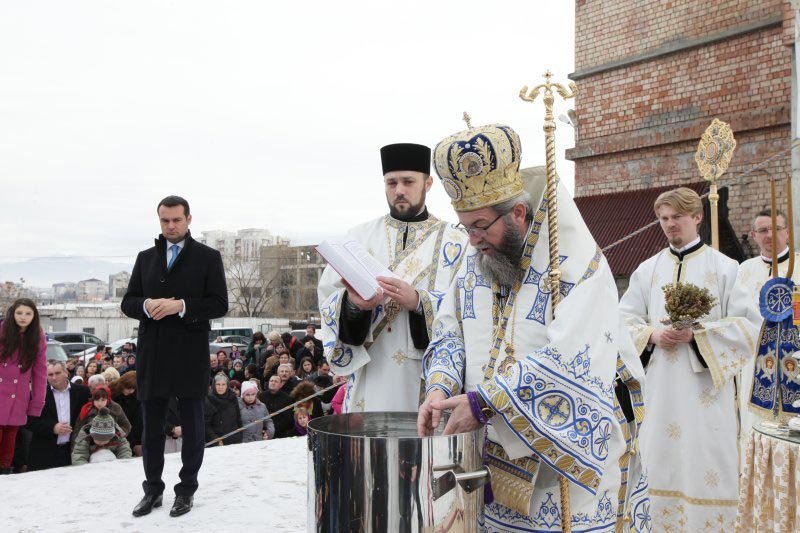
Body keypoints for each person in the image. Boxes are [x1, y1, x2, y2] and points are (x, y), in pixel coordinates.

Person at [417, 123, 635, 530]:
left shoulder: (574, 265)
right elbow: (450, 331)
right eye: (466, 228)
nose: (473, 240)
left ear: (518, 212)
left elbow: (577, 356)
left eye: (481, 226)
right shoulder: (473, 263)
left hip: (560, 472)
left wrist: (484, 403)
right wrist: (439, 387)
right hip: (489, 463)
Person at [619, 187, 754, 530]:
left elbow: (748, 326)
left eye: (677, 217)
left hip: (706, 397)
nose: (669, 225)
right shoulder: (647, 270)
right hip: (660, 391)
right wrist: (651, 335)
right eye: (663, 219)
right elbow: (621, 321)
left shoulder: (726, 269)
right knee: (657, 460)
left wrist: (698, 336)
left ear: (697, 217)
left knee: (707, 461)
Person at [318, 142, 469, 413]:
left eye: (408, 181)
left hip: (427, 378)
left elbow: (468, 308)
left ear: (428, 183)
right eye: (392, 182)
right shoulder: (358, 238)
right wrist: (353, 305)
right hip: (371, 375)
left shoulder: (457, 241)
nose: (399, 190)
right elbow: (328, 298)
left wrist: (419, 301)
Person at [121, 195, 228, 518]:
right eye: (164, 221)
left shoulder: (208, 257)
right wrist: (145, 305)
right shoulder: (145, 258)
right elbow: (128, 301)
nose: (170, 226)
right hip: (153, 354)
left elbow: (219, 304)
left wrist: (180, 306)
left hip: (189, 354)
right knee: (151, 428)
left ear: (189, 219)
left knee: (193, 427)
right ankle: (152, 490)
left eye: (176, 220)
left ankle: (186, 490)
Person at [729, 208, 800, 445]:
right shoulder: (742, 271)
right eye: (763, 230)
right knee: (753, 430)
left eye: (776, 229)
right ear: (754, 234)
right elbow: (734, 316)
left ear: (787, 233)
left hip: (795, 361)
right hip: (753, 364)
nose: (770, 235)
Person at [0, 299, 47, 474]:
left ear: (34, 316)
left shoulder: (37, 337)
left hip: (18, 399)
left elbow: (40, 373)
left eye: (28, 313)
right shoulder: (2, 332)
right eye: (19, 313)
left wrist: (37, 404)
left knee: (9, 445)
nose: (23, 317)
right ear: (13, 313)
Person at [25, 361, 91, 470]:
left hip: (73, 451)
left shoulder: (82, 392)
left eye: (58, 373)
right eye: (50, 374)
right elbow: (28, 421)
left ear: (66, 373)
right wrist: (52, 428)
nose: (54, 377)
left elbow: (89, 418)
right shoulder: (37, 395)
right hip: (44, 453)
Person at [109, 371, 143, 456]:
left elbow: (138, 421)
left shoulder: (136, 396)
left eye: (133, 389)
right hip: (112, 433)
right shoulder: (111, 392)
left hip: (131, 434)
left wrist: (136, 442)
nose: (131, 391)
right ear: (123, 384)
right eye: (129, 388)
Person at [204, 374, 243, 446]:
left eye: (223, 384)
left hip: (235, 439)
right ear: (214, 385)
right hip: (218, 441)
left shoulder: (232, 397)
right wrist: (215, 440)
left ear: (227, 385)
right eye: (218, 384)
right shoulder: (208, 399)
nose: (220, 387)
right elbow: (206, 424)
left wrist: (240, 434)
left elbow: (238, 417)